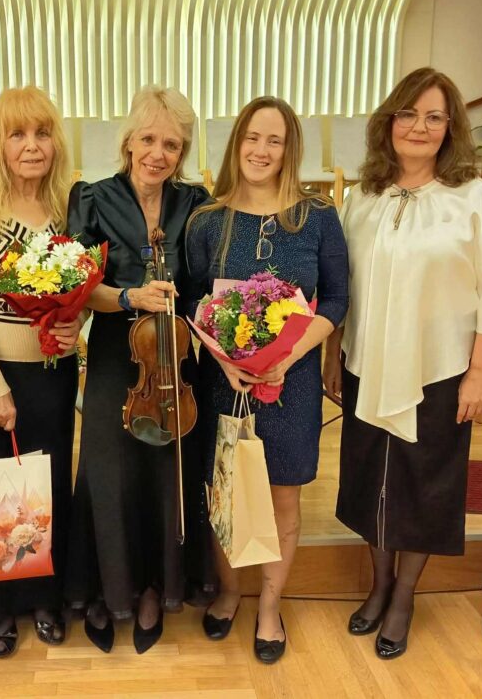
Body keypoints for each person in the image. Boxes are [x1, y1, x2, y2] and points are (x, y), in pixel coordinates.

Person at [322, 67, 482, 660]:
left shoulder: (474, 197)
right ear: (389, 122)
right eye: (408, 114)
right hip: (366, 365)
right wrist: (335, 354)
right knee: (371, 478)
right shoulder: (363, 198)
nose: (419, 126)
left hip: (440, 371)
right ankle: (379, 583)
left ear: (450, 127)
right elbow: (342, 287)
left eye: (434, 117)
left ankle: (404, 596)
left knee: (424, 486)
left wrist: (481, 373)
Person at [186, 96, 348, 664]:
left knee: (283, 499)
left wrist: (289, 355)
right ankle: (230, 591)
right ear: (237, 142)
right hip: (224, 384)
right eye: (252, 137)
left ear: (288, 149)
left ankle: (271, 606)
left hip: (292, 384)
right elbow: (194, 299)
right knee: (226, 494)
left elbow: (337, 297)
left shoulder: (318, 216)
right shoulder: (208, 220)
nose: (261, 150)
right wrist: (223, 358)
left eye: (274, 140)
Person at [65, 86, 217, 653]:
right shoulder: (92, 198)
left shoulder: (194, 202)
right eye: (148, 139)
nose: (158, 153)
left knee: (163, 476)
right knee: (109, 475)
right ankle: (108, 591)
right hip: (116, 355)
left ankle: (155, 589)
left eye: (172, 144)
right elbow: (80, 288)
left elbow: (204, 287)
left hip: (174, 360)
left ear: (183, 152)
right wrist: (130, 297)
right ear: (129, 141)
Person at [0, 86, 82, 657]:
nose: (32, 146)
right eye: (18, 134)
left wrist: (76, 327)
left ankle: (44, 597)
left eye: (42, 133)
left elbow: (81, 293)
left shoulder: (68, 212)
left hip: (56, 374)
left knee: (46, 491)